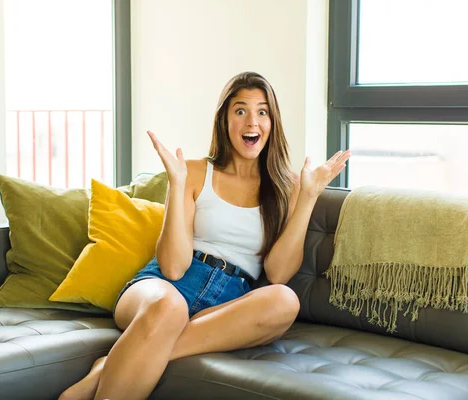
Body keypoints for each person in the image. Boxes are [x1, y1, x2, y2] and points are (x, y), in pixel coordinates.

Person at [59, 71, 351, 400]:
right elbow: (172, 267)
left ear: (272, 122)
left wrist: (309, 196)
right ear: (225, 119)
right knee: (169, 309)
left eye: (262, 111)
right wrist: (177, 185)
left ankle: (111, 363)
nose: (251, 121)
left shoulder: (290, 186)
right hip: (163, 289)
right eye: (240, 110)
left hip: (230, 300)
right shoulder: (195, 172)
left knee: (285, 300)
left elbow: (278, 273)